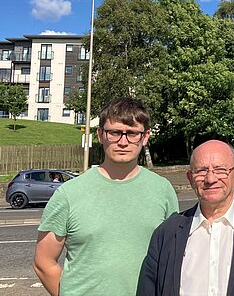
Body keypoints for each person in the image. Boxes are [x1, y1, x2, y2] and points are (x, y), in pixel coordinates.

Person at [33, 97, 179, 296]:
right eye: (115, 133)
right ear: (101, 135)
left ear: (145, 137)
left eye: (132, 134)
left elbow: (172, 257)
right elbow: (43, 261)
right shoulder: (68, 194)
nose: (123, 142)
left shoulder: (163, 190)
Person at [139, 139, 234, 296]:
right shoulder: (166, 234)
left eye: (220, 169)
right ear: (190, 178)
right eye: (201, 170)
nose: (210, 179)